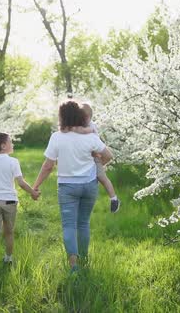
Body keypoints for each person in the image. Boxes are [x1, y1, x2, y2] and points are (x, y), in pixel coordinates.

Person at [32, 100, 113, 273]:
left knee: (69, 226)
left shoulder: (57, 137)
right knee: (83, 223)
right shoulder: (90, 137)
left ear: (62, 117)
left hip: (67, 187)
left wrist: (36, 185)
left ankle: (74, 266)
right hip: (89, 185)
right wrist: (97, 167)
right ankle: (84, 260)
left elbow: (48, 166)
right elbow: (108, 156)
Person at [0, 133, 39, 273]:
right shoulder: (13, 161)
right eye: (10, 142)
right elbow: (20, 183)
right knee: (9, 233)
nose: (12, 144)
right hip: (9, 202)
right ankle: (8, 258)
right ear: (3, 146)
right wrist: (33, 192)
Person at [67, 102, 121, 213]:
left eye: (83, 118)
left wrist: (99, 164)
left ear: (88, 118)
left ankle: (114, 199)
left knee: (102, 177)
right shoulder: (79, 124)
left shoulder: (91, 126)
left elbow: (93, 141)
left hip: (94, 155)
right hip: (85, 156)